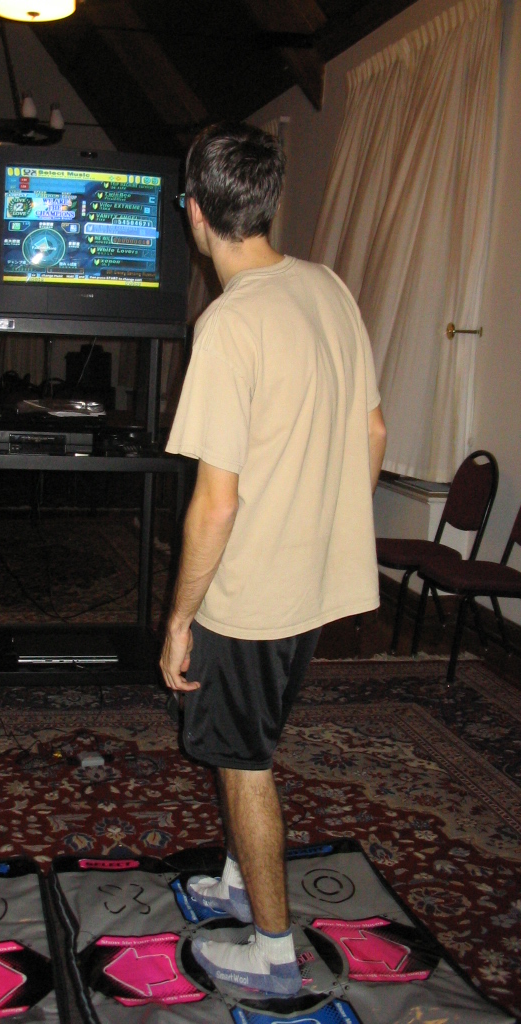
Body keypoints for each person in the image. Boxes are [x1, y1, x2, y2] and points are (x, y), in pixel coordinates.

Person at [160, 122, 387, 998]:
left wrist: (180, 619)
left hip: (251, 596)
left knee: (244, 763)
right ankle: (234, 878)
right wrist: (321, 521)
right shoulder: (327, 286)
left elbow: (215, 502)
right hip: (317, 583)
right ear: (267, 202)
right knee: (248, 739)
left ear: (193, 213)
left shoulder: (227, 324)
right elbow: (372, 431)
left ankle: (274, 950)